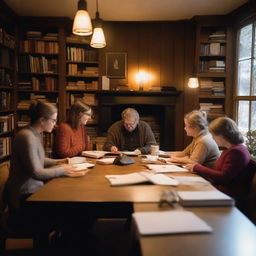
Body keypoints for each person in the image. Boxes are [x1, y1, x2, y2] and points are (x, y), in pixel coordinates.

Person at [4, 100, 86, 229]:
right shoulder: (27, 137)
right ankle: (71, 242)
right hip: (25, 197)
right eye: (53, 120)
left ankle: (73, 239)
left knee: (73, 205)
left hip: (34, 191)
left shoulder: (35, 134)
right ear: (42, 120)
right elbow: (36, 172)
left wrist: (60, 161)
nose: (55, 124)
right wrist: (63, 170)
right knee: (73, 208)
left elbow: (39, 160)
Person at [185, 117, 251, 199]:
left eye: (213, 135)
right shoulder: (230, 149)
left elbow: (224, 177)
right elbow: (218, 172)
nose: (212, 138)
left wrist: (198, 167)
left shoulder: (236, 152)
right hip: (220, 189)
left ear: (222, 135)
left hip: (226, 196)